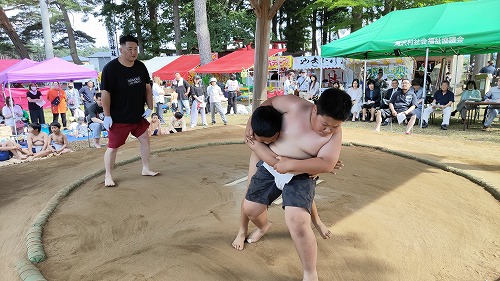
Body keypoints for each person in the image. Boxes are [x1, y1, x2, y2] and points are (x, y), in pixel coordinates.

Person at [240, 89, 352, 281]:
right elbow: (267, 104)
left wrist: (292, 165)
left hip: (301, 175)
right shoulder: (294, 105)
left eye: (335, 127)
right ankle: (264, 226)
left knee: (298, 221)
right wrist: (250, 125)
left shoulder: (334, 134)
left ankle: (310, 273)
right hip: (269, 167)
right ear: (315, 110)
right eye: (325, 124)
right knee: (250, 209)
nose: (328, 131)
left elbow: (326, 163)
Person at [232, 105, 342, 251]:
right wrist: (249, 127)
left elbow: (309, 149)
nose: (267, 143)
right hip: (265, 160)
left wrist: (323, 164)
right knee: (249, 193)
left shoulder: (289, 122)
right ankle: (243, 230)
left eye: (271, 140)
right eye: (263, 141)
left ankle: (317, 221)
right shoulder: (255, 136)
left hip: (292, 165)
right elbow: (263, 107)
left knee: (301, 192)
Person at [100, 34, 158, 187]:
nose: (133, 52)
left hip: (137, 115)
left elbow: (147, 88)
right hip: (118, 117)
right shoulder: (110, 69)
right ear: (121, 49)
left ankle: (145, 168)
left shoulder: (140, 66)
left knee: (145, 139)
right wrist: (107, 115)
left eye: (136, 49)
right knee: (113, 148)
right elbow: (105, 93)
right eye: (130, 49)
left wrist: (150, 107)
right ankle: (108, 175)